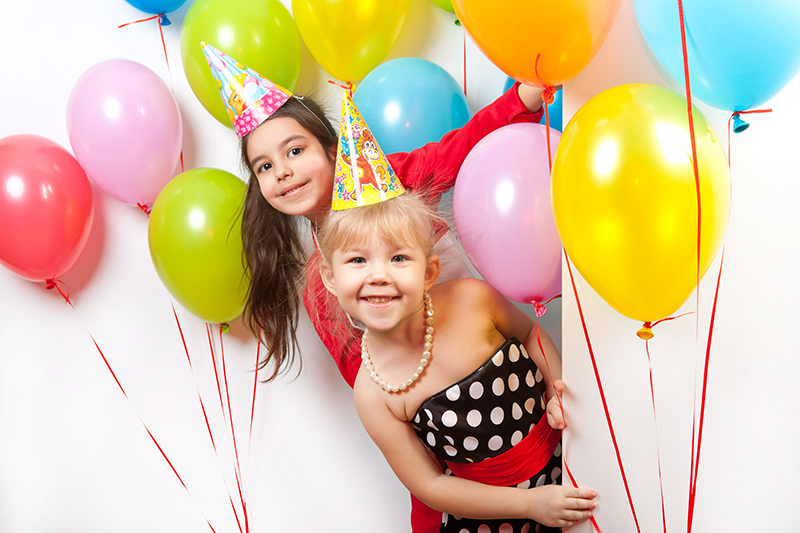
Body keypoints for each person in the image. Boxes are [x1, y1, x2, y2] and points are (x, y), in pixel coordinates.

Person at [200, 41, 550, 531]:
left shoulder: (392, 179)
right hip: (441, 421)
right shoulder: (318, 287)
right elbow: (368, 379)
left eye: (295, 151)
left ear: (328, 148)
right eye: (263, 166)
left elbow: (461, 149)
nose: (281, 171)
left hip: (491, 357)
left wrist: (522, 102)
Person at [317, 188, 598, 532]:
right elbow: (431, 486)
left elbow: (530, 335)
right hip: (494, 518)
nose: (379, 275)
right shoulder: (373, 393)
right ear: (331, 278)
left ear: (429, 272)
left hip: (573, 460)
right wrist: (530, 504)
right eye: (358, 260)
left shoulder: (473, 299)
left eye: (399, 258)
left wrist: (557, 392)